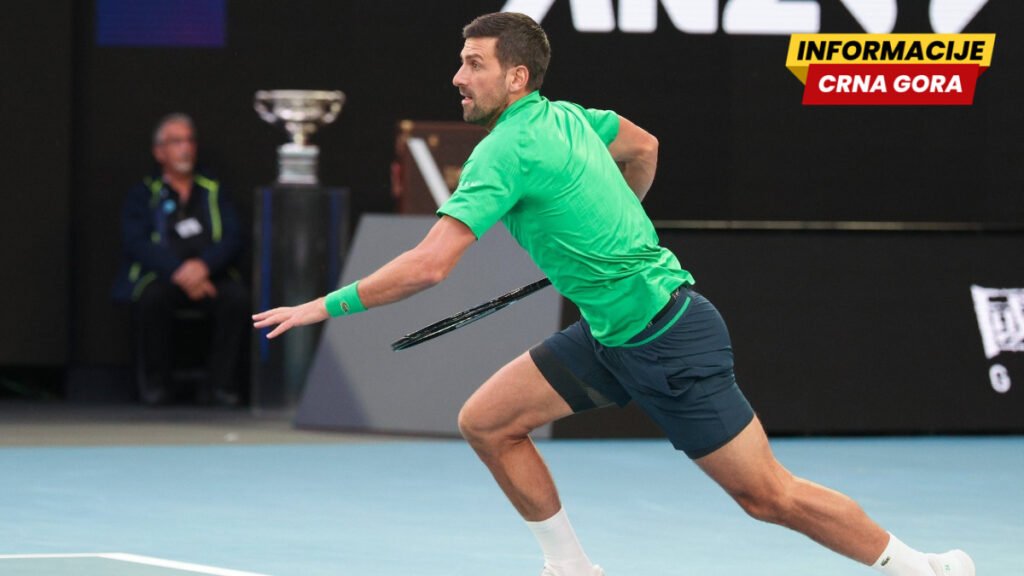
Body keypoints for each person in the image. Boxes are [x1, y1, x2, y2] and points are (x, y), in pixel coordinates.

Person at [252, 12, 974, 576]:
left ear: (516, 77)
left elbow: (428, 266)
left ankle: (922, 567)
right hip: (610, 334)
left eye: (474, 64)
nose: (457, 77)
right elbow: (644, 147)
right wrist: (616, 228)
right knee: (489, 422)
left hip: (668, 337)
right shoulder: (567, 116)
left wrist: (323, 305)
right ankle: (571, 566)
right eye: (461, 62)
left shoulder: (501, 152)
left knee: (768, 497)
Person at [114, 113, 249, 406]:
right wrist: (179, 271)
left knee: (236, 299)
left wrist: (203, 267)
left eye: (189, 140)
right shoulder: (144, 193)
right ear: (159, 152)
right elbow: (136, 242)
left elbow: (233, 236)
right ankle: (155, 387)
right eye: (176, 142)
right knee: (151, 300)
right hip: (163, 277)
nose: (185, 148)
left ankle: (221, 387)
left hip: (210, 276)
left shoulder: (214, 190)